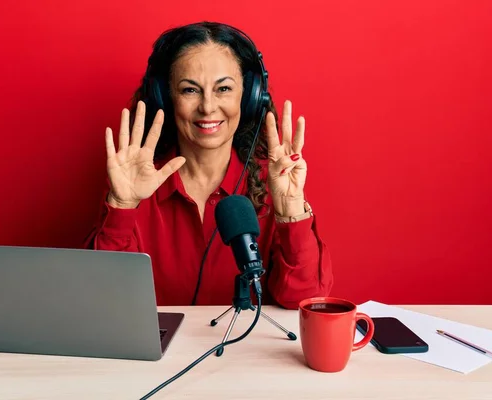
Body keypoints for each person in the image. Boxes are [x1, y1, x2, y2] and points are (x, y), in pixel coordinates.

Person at [83, 21, 333, 309]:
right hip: (164, 355)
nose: (208, 106)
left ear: (250, 96)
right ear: (166, 97)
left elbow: (306, 302)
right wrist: (121, 207)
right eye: (190, 90)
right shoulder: (135, 184)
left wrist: (291, 212)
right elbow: (102, 302)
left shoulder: (273, 182)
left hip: (248, 352)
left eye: (224, 88)